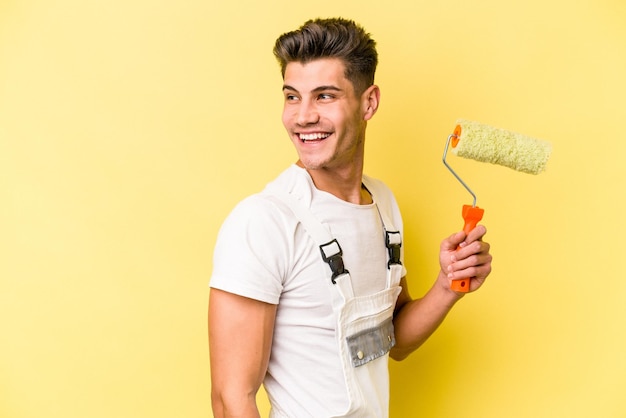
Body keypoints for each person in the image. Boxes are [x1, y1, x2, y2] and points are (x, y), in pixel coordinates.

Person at [208, 17, 492, 418]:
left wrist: (448, 286)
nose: (302, 117)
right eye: (292, 96)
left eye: (324, 96)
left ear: (369, 102)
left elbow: (394, 343)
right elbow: (230, 398)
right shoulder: (263, 222)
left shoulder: (383, 204)